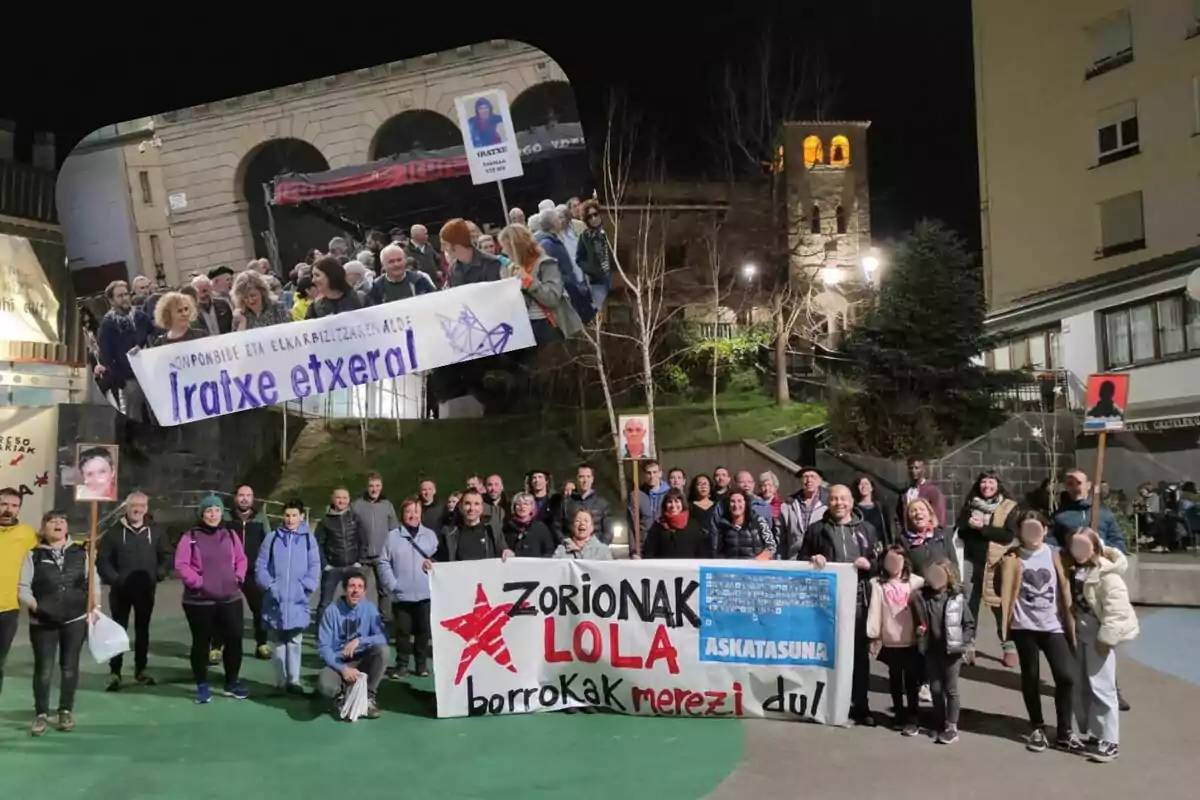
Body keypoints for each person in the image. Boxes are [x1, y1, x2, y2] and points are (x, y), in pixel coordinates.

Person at [999, 510, 1081, 754]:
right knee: (1030, 676)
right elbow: (998, 586)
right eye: (1027, 529)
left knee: (1066, 676)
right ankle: (1037, 726)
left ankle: (1065, 731)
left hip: (1053, 625)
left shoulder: (1058, 556)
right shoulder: (1011, 558)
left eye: (1037, 528)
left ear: (1045, 530)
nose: (1033, 534)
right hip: (1024, 627)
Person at [799, 484, 879, 725]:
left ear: (852, 502)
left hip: (858, 602)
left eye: (843, 498)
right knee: (826, 655)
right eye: (833, 499)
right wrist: (812, 560)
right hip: (825, 605)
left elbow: (881, 561)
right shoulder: (816, 530)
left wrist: (870, 564)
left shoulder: (868, 529)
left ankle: (861, 706)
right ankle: (827, 704)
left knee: (859, 657)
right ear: (828, 502)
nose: (838, 503)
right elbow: (801, 560)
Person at [18, 510, 99, 736]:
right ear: (43, 528)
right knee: (43, 669)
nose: (57, 524)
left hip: (74, 619)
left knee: (69, 667)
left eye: (61, 521)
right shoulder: (33, 555)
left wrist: (95, 607)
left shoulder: (81, 553)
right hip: (43, 621)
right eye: (52, 521)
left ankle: (65, 710)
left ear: (67, 527)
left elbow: (93, 582)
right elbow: (23, 588)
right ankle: (41, 714)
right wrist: (37, 607)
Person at [1065, 528, 1139, 763]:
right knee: (1084, 684)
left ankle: (1110, 741)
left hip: (1099, 634)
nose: (1078, 552)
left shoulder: (1108, 574)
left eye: (1083, 547)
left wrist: (1106, 640)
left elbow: (1117, 610)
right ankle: (1097, 735)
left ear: (1095, 547)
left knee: (1102, 687)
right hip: (1081, 631)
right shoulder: (1078, 570)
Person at [175, 494, 249, 704]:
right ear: (201, 514)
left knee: (234, 639)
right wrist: (198, 582)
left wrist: (238, 578)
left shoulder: (230, 534)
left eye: (217, 510)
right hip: (199, 601)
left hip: (229, 597)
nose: (213, 514)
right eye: (209, 510)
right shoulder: (190, 536)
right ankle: (201, 685)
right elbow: (181, 564)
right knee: (202, 642)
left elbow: (241, 559)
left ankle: (232, 681)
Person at [98, 491, 172, 691]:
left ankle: (141, 670)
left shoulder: (155, 532)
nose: (137, 510)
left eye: (141, 506)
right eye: (133, 506)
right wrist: (115, 579)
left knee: (143, 630)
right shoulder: (114, 532)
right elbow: (103, 560)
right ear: (126, 508)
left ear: (146, 509)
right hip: (120, 591)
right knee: (118, 631)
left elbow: (167, 555)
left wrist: (158, 574)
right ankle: (115, 672)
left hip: (145, 589)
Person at [255, 499, 320, 695]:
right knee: (279, 641)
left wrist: (305, 587)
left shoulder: (309, 540)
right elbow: (261, 566)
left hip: (298, 599)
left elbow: (314, 567)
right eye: (287, 515)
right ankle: (281, 682)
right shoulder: (272, 538)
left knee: (295, 640)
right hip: (276, 599)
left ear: (301, 517)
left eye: (294, 515)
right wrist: (270, 586)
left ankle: (294, 680)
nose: (290, 519)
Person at [954, 471, 1019, 667]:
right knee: (968, 604)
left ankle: (1008, 646)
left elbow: (1008, 535)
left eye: (991, 482)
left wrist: (983, 528)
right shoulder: (970, 504)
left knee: (999, 604)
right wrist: (969, 525)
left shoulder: (1008, 506)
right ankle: (968, 645)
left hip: (996, 562)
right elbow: (961, 531)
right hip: (971, 561)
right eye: (983, 482)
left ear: (998, 484)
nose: (987, 486)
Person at [911, 558, 975, 744]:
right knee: (935, 688)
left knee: (951, 689)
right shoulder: (922, 598)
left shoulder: (957, 599)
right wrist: (919, 631)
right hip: (931, 650)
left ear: (950, 577)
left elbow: (969, 624)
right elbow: (919, 620)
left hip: (952, 652)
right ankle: (938, 722)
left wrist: (963, 642)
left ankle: (951, 726)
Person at [866, 546, 924, 735]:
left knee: (912, 681)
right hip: (891, 640)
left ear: (904, 561)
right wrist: (873, 634)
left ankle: (914, 717)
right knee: (895, 681)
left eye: (898, 559)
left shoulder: (916, 583)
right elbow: (875, 610)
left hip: (911, 640)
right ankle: (899, 714)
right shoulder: (878, 584)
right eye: (890, 559)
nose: (894, 564)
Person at [316, 570, 388, 719]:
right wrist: (343, 669)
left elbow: (382, 637)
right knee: (325, 686)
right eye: (351, 586)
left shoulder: (369, 609)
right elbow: (324, 647)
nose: (356, 591)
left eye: (360, 587)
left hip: (362, 660)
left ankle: (368, 697)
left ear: (365, 591)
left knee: (383, 651)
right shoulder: (332, 611)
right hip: (339, 662)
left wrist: (360, 640)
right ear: (344, 589)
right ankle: (343, 696)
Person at [378, 499, 437, 677]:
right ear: (402, 514)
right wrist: (392, 584)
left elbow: (438, 559)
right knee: (402, 632)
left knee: (423, 632)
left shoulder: (430, 535)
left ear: (421, 514)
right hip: (401, 595)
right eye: (408, 512)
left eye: (416, 512)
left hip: (425, 593)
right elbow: (383, 561)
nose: (413, 515)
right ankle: (402, 664)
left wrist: (434, 566)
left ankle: (421, 665)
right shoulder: (392, 536)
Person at [224, 485, 272, 661]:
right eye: (241, 495)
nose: (244, 498)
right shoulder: (225, 517)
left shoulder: (260, 518)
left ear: (253, 499)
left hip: (253, 571)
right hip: (230, 571)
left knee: (260, 609)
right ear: (235, 498)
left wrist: (265, 567)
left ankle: (262, 644)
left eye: (248, 495)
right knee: (224, 609)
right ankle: (216, 645)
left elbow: (268, 543)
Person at [0, 487, 38, 700]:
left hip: (8, 610)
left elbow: (46, 553)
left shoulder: (27, 534)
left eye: (14, 506)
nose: (8, 510)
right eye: (4, 504)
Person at [313, 487, 370, 626]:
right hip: (333, 568)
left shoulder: (355, 519)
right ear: (333, 499)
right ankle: (322, 633)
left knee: (358, 600)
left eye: (345, 498)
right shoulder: (325, 521)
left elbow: (363, 540)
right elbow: (317, 545)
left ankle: (358, 630)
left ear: (349, 500)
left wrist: (359, 561)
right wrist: (325, 564)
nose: (342, 501)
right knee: (325, 602)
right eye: (339, 498)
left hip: (353, 567)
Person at [352, 473, 399, 627]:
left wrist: (392, 551)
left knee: (385, 591)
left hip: (382, 555)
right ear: (367, 486)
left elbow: (394, 530)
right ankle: (359, 620)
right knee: (358, 589)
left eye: (377, 486)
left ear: (381, 487)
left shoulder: (387, 505)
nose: (374, 489)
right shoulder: (357, 505)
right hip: (362, 556)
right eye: (371, 486)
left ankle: (385, 622)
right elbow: (350, 529)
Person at [1052, 470, 1125, 553]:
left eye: (1079, 483)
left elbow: (1118, 543)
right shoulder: (1059, 516)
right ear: (1066, 487)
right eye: (1070, 484)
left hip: (1101, 563)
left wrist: (1102, 547)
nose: (1075, 487)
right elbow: (1052, 543)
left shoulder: (1104, 514)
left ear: (1088, 485)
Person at [436, 490, 512, 562]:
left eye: (476, 504)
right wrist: (429, 563)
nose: (472, 508)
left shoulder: (492, 531)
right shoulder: (450, 533)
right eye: (467, 503)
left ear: (482, 508)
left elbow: (505, 552)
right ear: (460, 507)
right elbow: (438, 559)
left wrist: (508, 554)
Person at [639, 489, 710, 559]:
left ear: (682, 504)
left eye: (676, 501)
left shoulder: (693, 525)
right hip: (664, 569)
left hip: (687, 569)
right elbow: (649, 552)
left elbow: (701, 553)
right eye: (670, 502)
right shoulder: (658, 525)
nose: (673, 505)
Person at [779, 467, 828, 561]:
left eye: (813, 477)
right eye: (805, 477)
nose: (809, 480)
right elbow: (781, 536)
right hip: (794, 560)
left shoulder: (827, 504)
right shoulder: (789, 504)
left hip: (820, 560)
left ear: (820, 481)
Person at [556, 464, 613, 544]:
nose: (585, 480)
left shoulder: (602, 504)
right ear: (576, 479)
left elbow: (608, 532)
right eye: (581, 477)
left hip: (595, 550)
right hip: (571, 549)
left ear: (592, 479)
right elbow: (557, 527)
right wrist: (566, 542)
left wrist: (600, 548)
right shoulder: (566, 503)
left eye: (588, 476)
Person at [898, 498, 954, 579]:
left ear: (930, 515)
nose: (918, 513)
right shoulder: (904, 541)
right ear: (908, 519)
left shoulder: (942, 535)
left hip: (945, 587)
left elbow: (953, 562)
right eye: (913, 511)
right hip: (919, 588)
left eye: (922, 509)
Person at [712, 490, 776, 560]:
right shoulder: (721, 525)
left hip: (755, 567)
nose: (736, 505)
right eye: (732, 501)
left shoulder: (759, 521)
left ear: (746, 504)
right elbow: (717, 550)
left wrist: (758, 560)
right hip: (731, 568)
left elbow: (771, 546)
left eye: (739, 501)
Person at [897, 458, 947, 533]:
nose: (913, 471)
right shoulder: (904, 493)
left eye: (917, 468)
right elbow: (899, 515)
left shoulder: (932, 490)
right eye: (911, 468)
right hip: (909, 535)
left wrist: (937, 533)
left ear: (923, 470)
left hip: (928, 534)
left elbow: (940, 515)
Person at [503, 493, 558, 557]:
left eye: (526, 504)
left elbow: (549, 550)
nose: (522, 507)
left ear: (532, 507)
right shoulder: (508, 527)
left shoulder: (540, 527)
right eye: (518, 504)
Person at [854, 476, 893, 546]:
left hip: (880, 546)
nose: (863, 486)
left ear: (871, 488)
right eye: (861, 484)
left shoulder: (881, 508)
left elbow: (888, 527)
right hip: (861, 546)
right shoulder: (854, 509)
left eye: (866, 484)